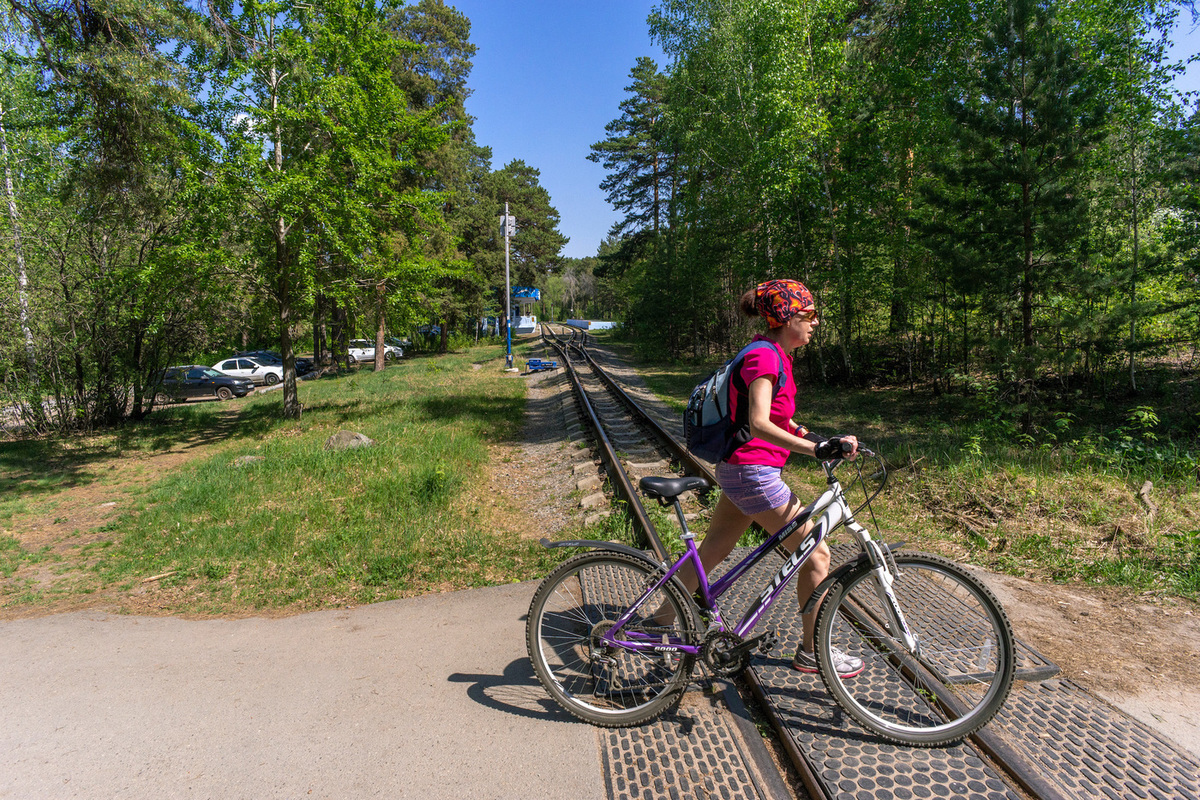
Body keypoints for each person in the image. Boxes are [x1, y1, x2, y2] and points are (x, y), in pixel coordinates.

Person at [677, 279, 864, 677]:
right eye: (808, 314)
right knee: (817, 554)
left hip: (743, 470)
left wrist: (823, 440)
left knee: (712, 549)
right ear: (785, 317)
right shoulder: (764, 357)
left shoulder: (775, 355)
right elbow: (759, 423)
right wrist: (814, 451)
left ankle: (657, 622)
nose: (814, 322)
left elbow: (784, 421)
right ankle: (813, 654)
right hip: (752, 472)